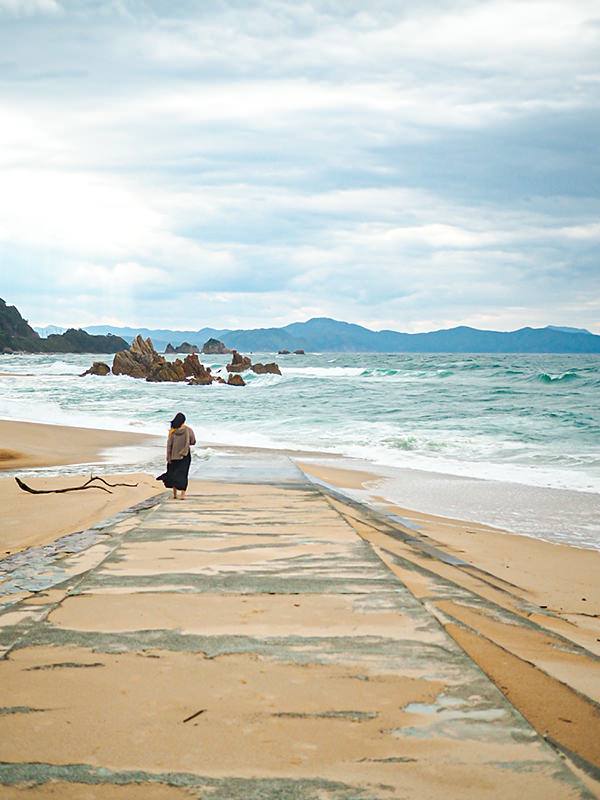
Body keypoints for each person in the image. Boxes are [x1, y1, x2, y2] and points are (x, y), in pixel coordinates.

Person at [156, 412, 196, 500]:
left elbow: (169, 445)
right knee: (183, 474)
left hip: (173, 456)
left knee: (173, 474)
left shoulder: (172, 431)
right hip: (185, 455)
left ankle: (174, 495)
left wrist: (168, 457)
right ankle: (182, 495)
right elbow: (193, 441)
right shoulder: (188, 430)